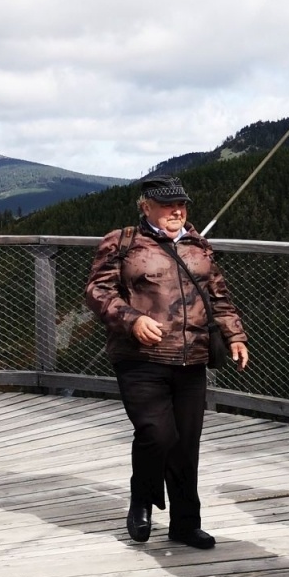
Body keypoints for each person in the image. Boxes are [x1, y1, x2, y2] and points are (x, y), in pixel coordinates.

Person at [85, 174, 249, 551]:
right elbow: (97, 290)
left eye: (182, 204)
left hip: (192, 357)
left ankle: (185, 524)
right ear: (146, 207)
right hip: (140, 357)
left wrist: (236, 336)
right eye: (166, 205)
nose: (177, 211)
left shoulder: (198, 245)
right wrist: (132, 320)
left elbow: (219, 297)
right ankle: (142, 498)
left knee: (186, 443)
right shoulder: (122, 242)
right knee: (157, 434)